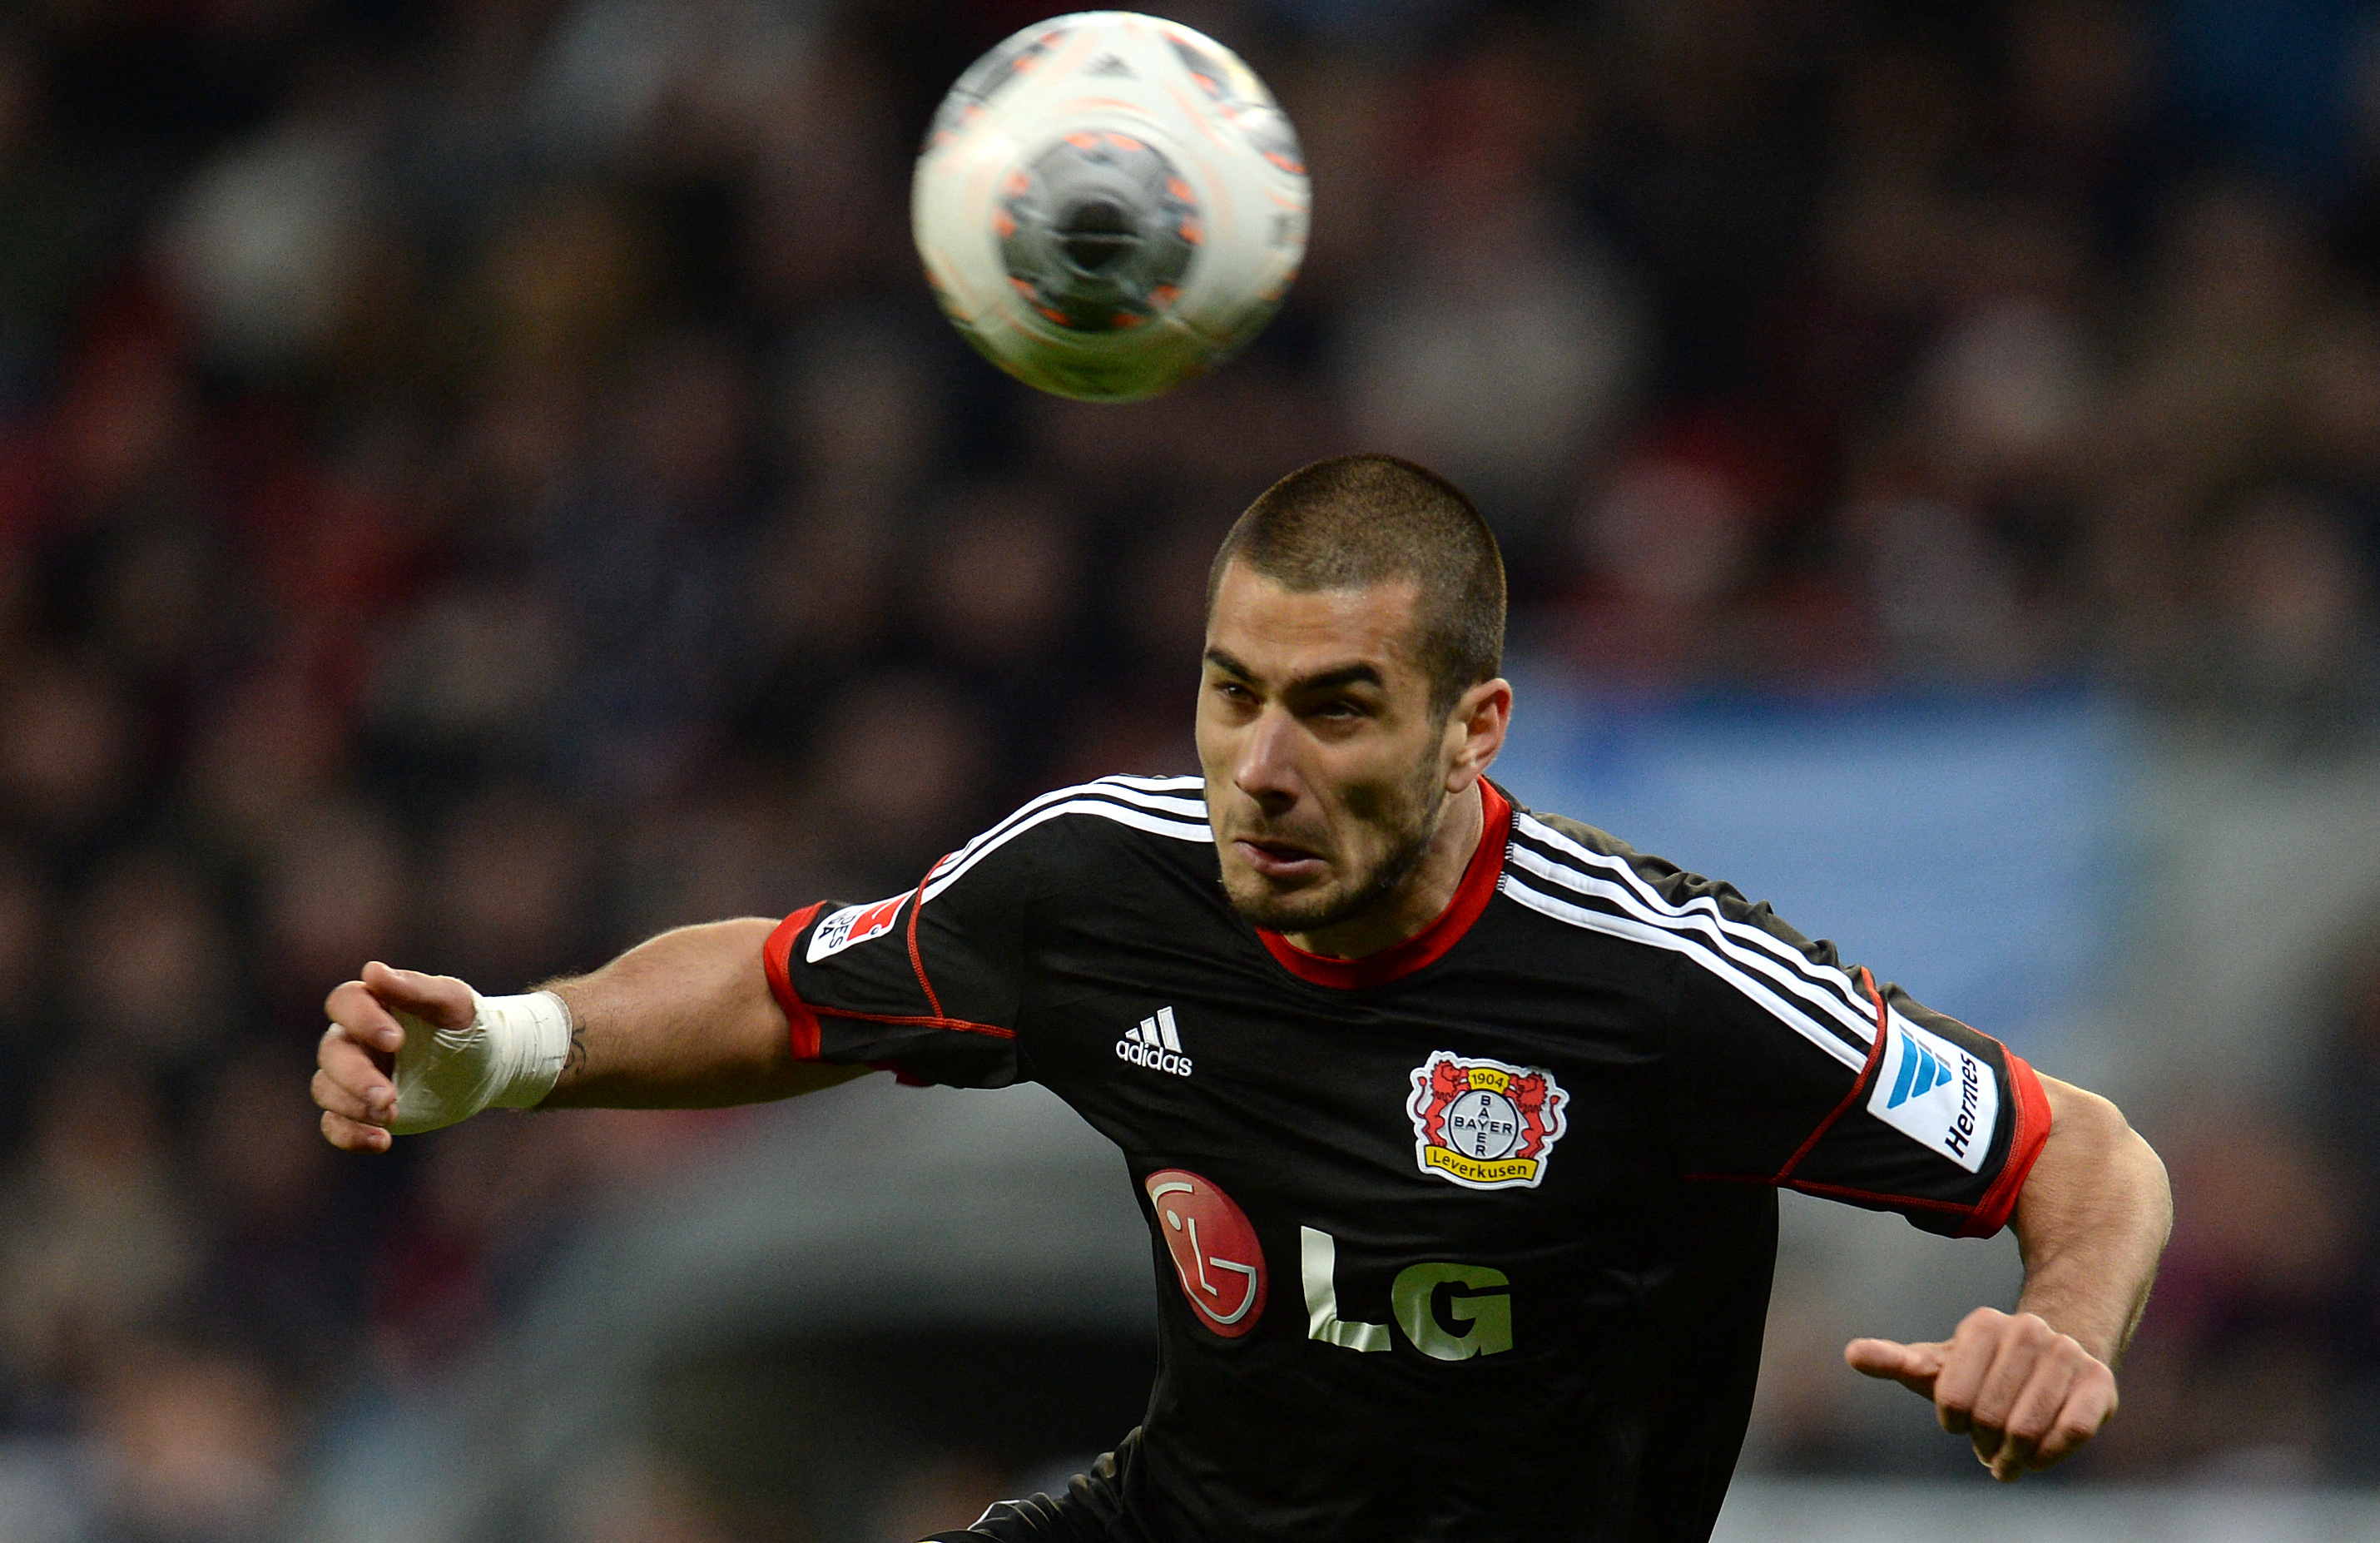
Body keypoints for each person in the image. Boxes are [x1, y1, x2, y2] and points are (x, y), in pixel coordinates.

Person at [312, 455, 2171, 1542]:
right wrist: (519, 1051)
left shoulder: (1660, 990)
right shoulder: (1098, 886)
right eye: (1229, 692)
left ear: (1472, 729)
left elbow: (2074, 1151)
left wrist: (2063, 1323)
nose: (1258, 766)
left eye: (1336, 706)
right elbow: (788, 989)